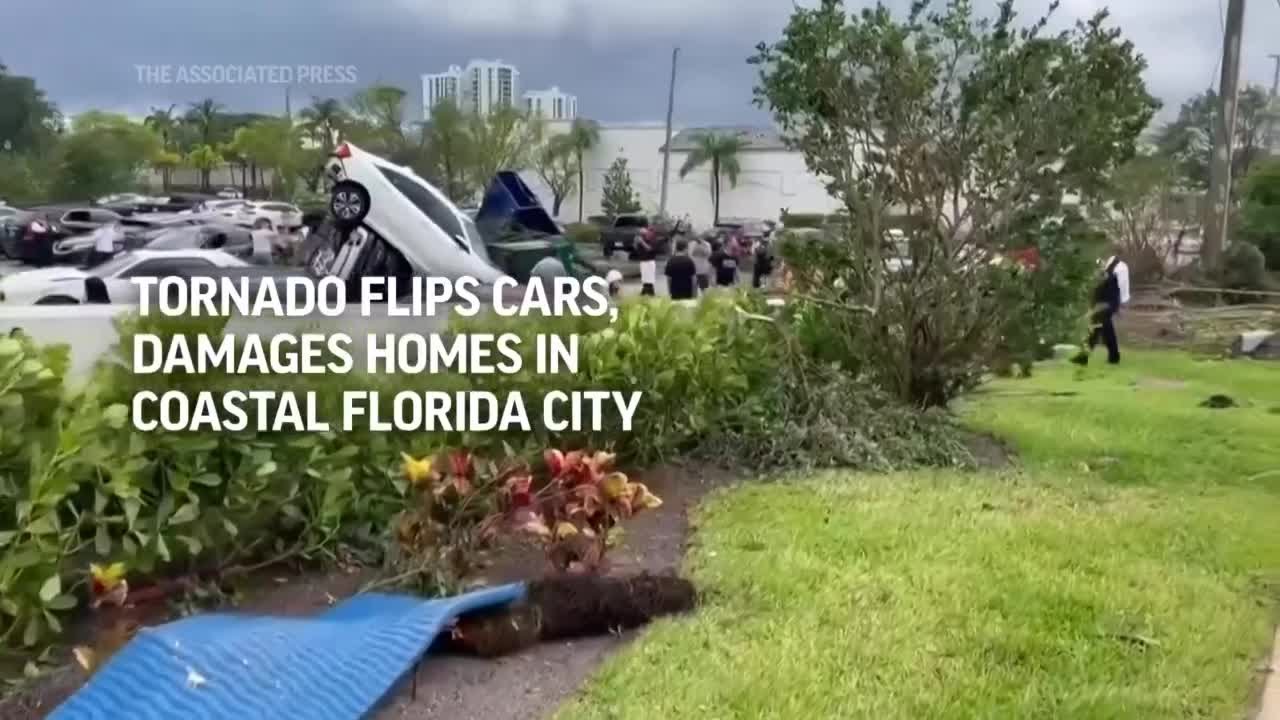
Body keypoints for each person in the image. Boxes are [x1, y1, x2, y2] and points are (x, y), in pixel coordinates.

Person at [1072, 251, 1130, 366]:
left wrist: (1121, 305)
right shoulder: (1099, 264)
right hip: (1100, 303)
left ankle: (1084, 357)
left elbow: (1123, 286)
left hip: (1109, 303)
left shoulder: (1120, 267)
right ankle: (1113, 357)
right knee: (1103, 328)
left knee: (1097, 327)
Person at [633, 231, 657, 296]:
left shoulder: (652, 241)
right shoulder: (641, 242)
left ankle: (649, 293)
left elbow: (649, 249)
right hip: (643, 262)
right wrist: (635, 242)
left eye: (644, 234)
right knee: (645, 279)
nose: (643, 236)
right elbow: (635, 248)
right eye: (641, 235)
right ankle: (646, 292)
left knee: (649, 279)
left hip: (650, 262)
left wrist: (642, 242)